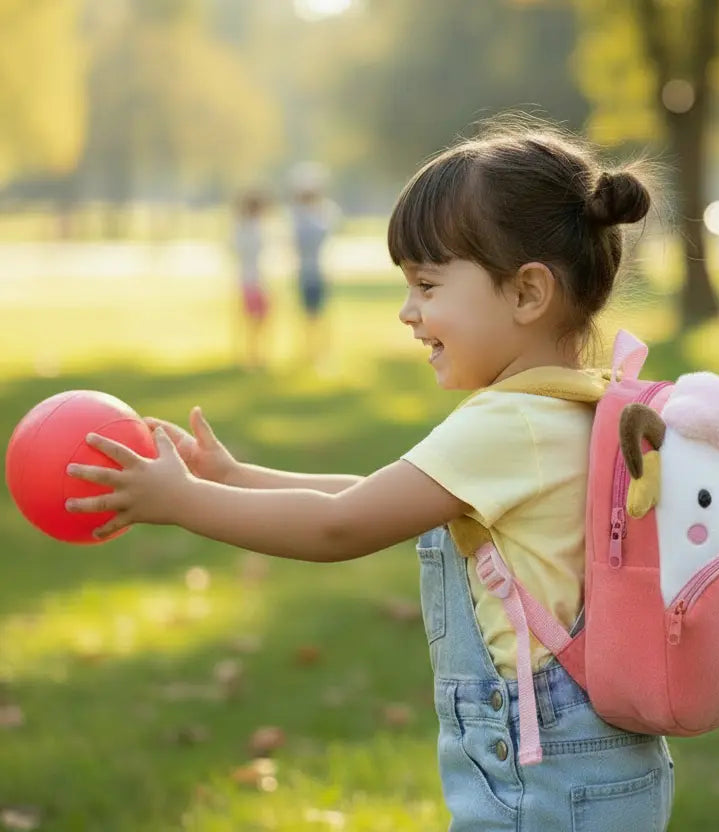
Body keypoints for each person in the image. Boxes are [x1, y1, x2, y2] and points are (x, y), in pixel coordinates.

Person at [67, 119, 674, 830]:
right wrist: (233, 475)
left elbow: (342, 524)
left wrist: (185, 502)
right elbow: (373, 496)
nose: (408, 312)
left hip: (542, 776)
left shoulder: (509, 427)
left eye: (426, 284)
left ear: (526, 294)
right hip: (604, 763)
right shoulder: (577, 403)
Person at [288, 162, 339, 367]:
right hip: (306, 271)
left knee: (320, 313)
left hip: (318, 270)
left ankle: (321, 351)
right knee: (308, 314)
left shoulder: (322, 213)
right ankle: (309, 350)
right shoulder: (298, 216)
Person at [233, 190, 270, 369]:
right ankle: (250, 356)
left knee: (260, 320)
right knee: (251, 320)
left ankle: (257, 354)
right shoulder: (244, 229)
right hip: (250, 281)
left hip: (258, 281)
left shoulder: (256, 227)